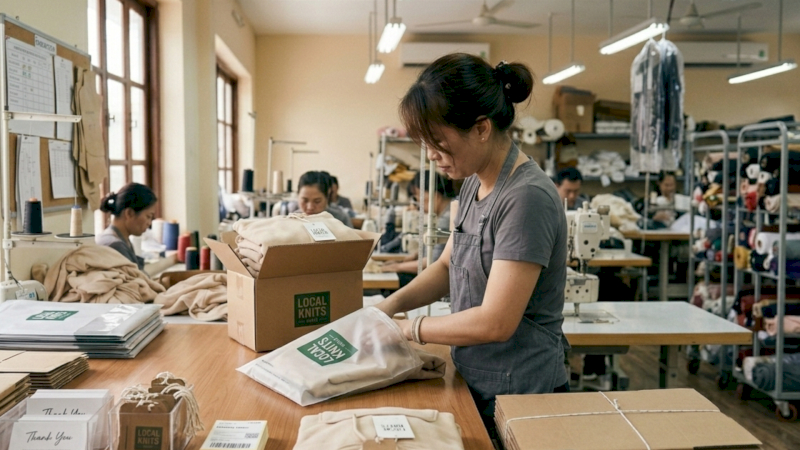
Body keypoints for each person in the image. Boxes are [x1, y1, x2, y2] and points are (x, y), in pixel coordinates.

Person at [375, 54, 569, 438]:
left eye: (438, 143)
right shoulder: (473, 181)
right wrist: (387, 308)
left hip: (519, 393)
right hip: (476, 378)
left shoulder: (526, 197)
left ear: (481, 128)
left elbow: (497, 320)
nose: (431, 156)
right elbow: (448, 266)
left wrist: (409, 329)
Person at [382, 170, 454, 286]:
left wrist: (397, 266)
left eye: (418, 196)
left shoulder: (448, 217)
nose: (417, 202)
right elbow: (431, 252)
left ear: (435, 195)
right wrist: (413, 257)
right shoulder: (445, 213)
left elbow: (431, 261)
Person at [96, 183, 157, 271]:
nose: (149, 223)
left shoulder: (123, 240)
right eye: (148, 216)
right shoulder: (115, 245)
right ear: (129, 213)